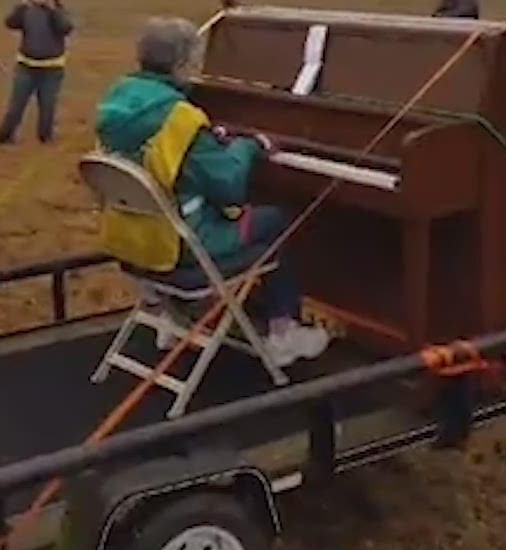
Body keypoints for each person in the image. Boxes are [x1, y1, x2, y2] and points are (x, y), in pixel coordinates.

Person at [95, 18, 332, 366]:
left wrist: (208, 142)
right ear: (181, 64)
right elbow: (229, 186)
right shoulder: (176, 117)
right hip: (183, 245)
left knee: (250, 212)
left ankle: (171, 315)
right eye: (194, 59)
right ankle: (284, 333)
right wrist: (249, 146)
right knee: (279, 219)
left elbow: (170, 162)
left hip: (132, 240)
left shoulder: (116, 102)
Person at [0, 0, 74, 144]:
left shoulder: (59, 12)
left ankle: (45, 138)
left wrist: (53, 10)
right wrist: (21, 6)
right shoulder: (26, 11)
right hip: (26, 66)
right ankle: (5, 136)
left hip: (51, 69)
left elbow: (66, 28)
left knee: (47, 107)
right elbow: (10, 23)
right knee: (16, 106)